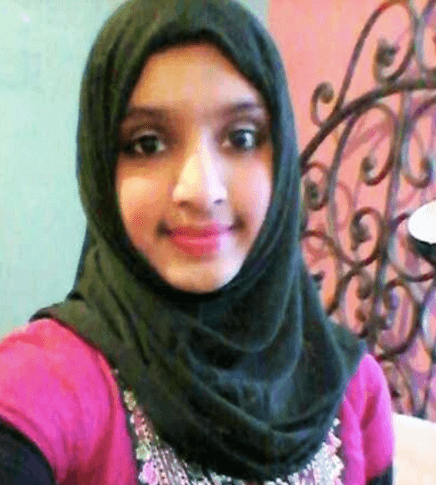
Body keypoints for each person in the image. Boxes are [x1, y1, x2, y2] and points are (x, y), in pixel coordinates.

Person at [0, 0, 394, 483]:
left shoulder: (355, 389)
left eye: (242, 137)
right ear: (101, 166)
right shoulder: (49, 381)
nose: (201, 191)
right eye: (148, 143)